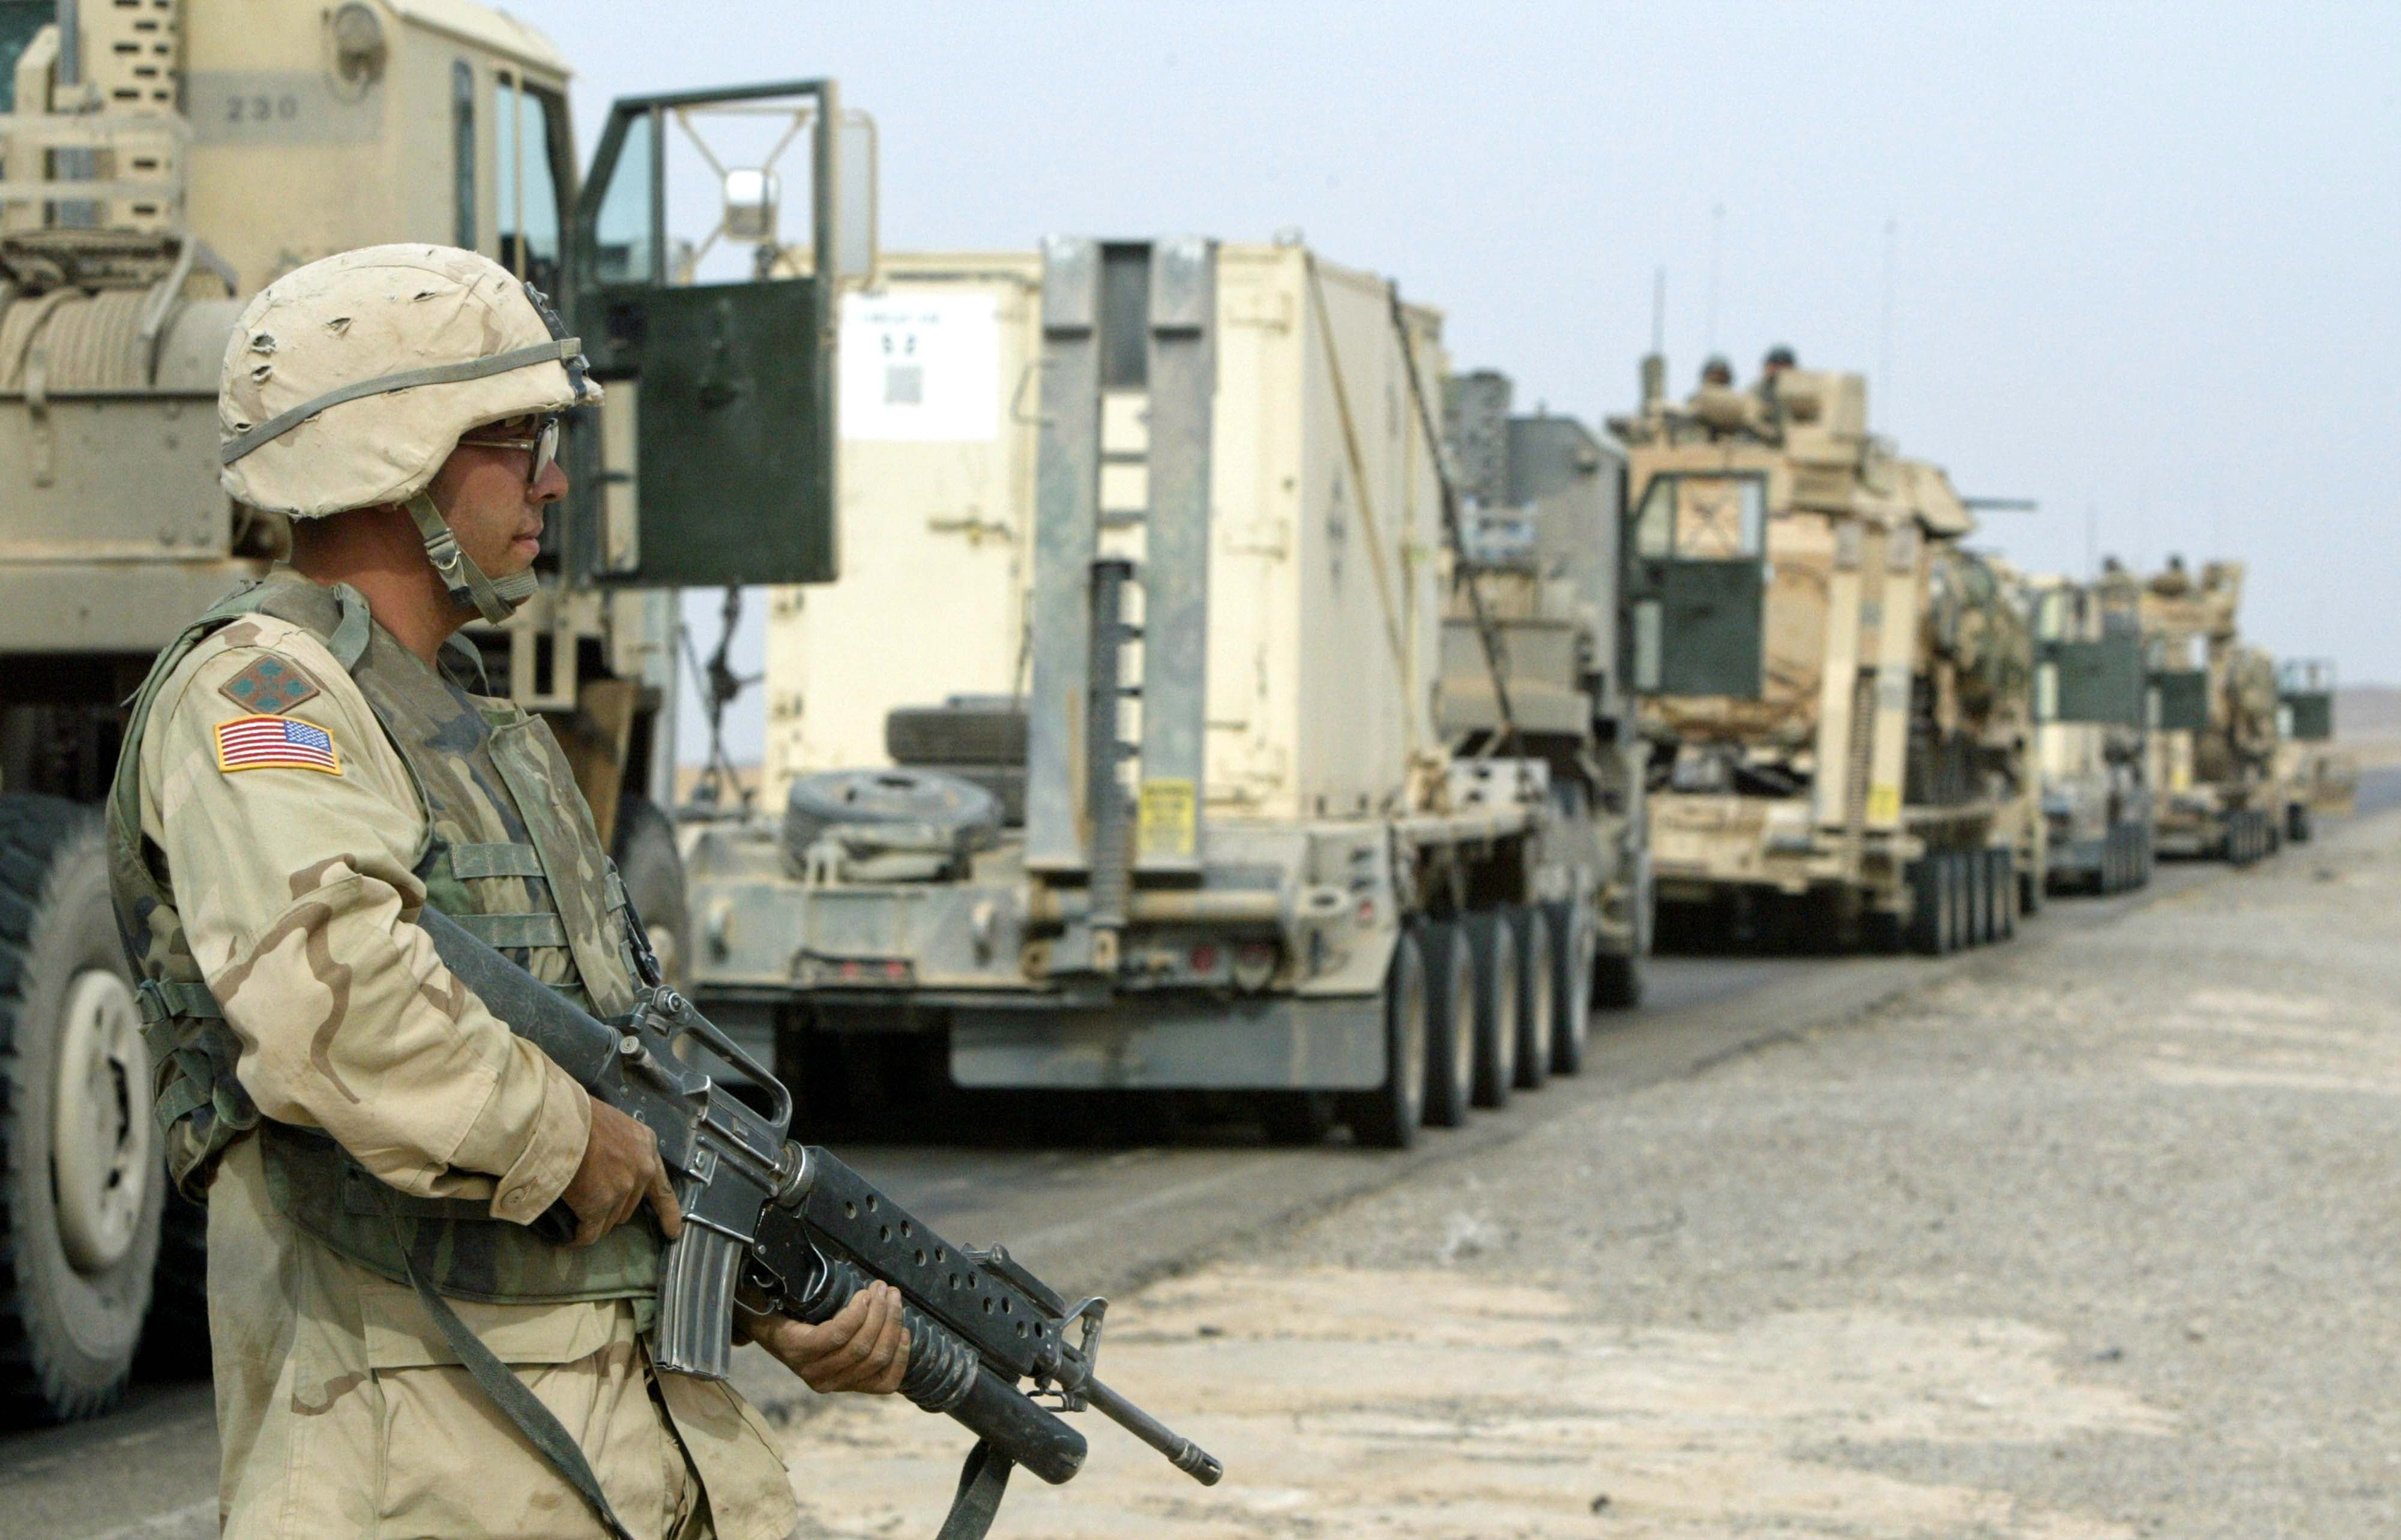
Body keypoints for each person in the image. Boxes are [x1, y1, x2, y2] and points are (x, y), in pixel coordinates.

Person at [108, 245, 903, 1540]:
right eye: (513, 434)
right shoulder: (264, 698)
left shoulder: (482, 730)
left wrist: (767, 1290)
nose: (553, 474)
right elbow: (342, 1013)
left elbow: (628, 1080)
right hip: (424, 1466)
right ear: (391, 453)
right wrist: (569, 1134)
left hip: (611, 1450)